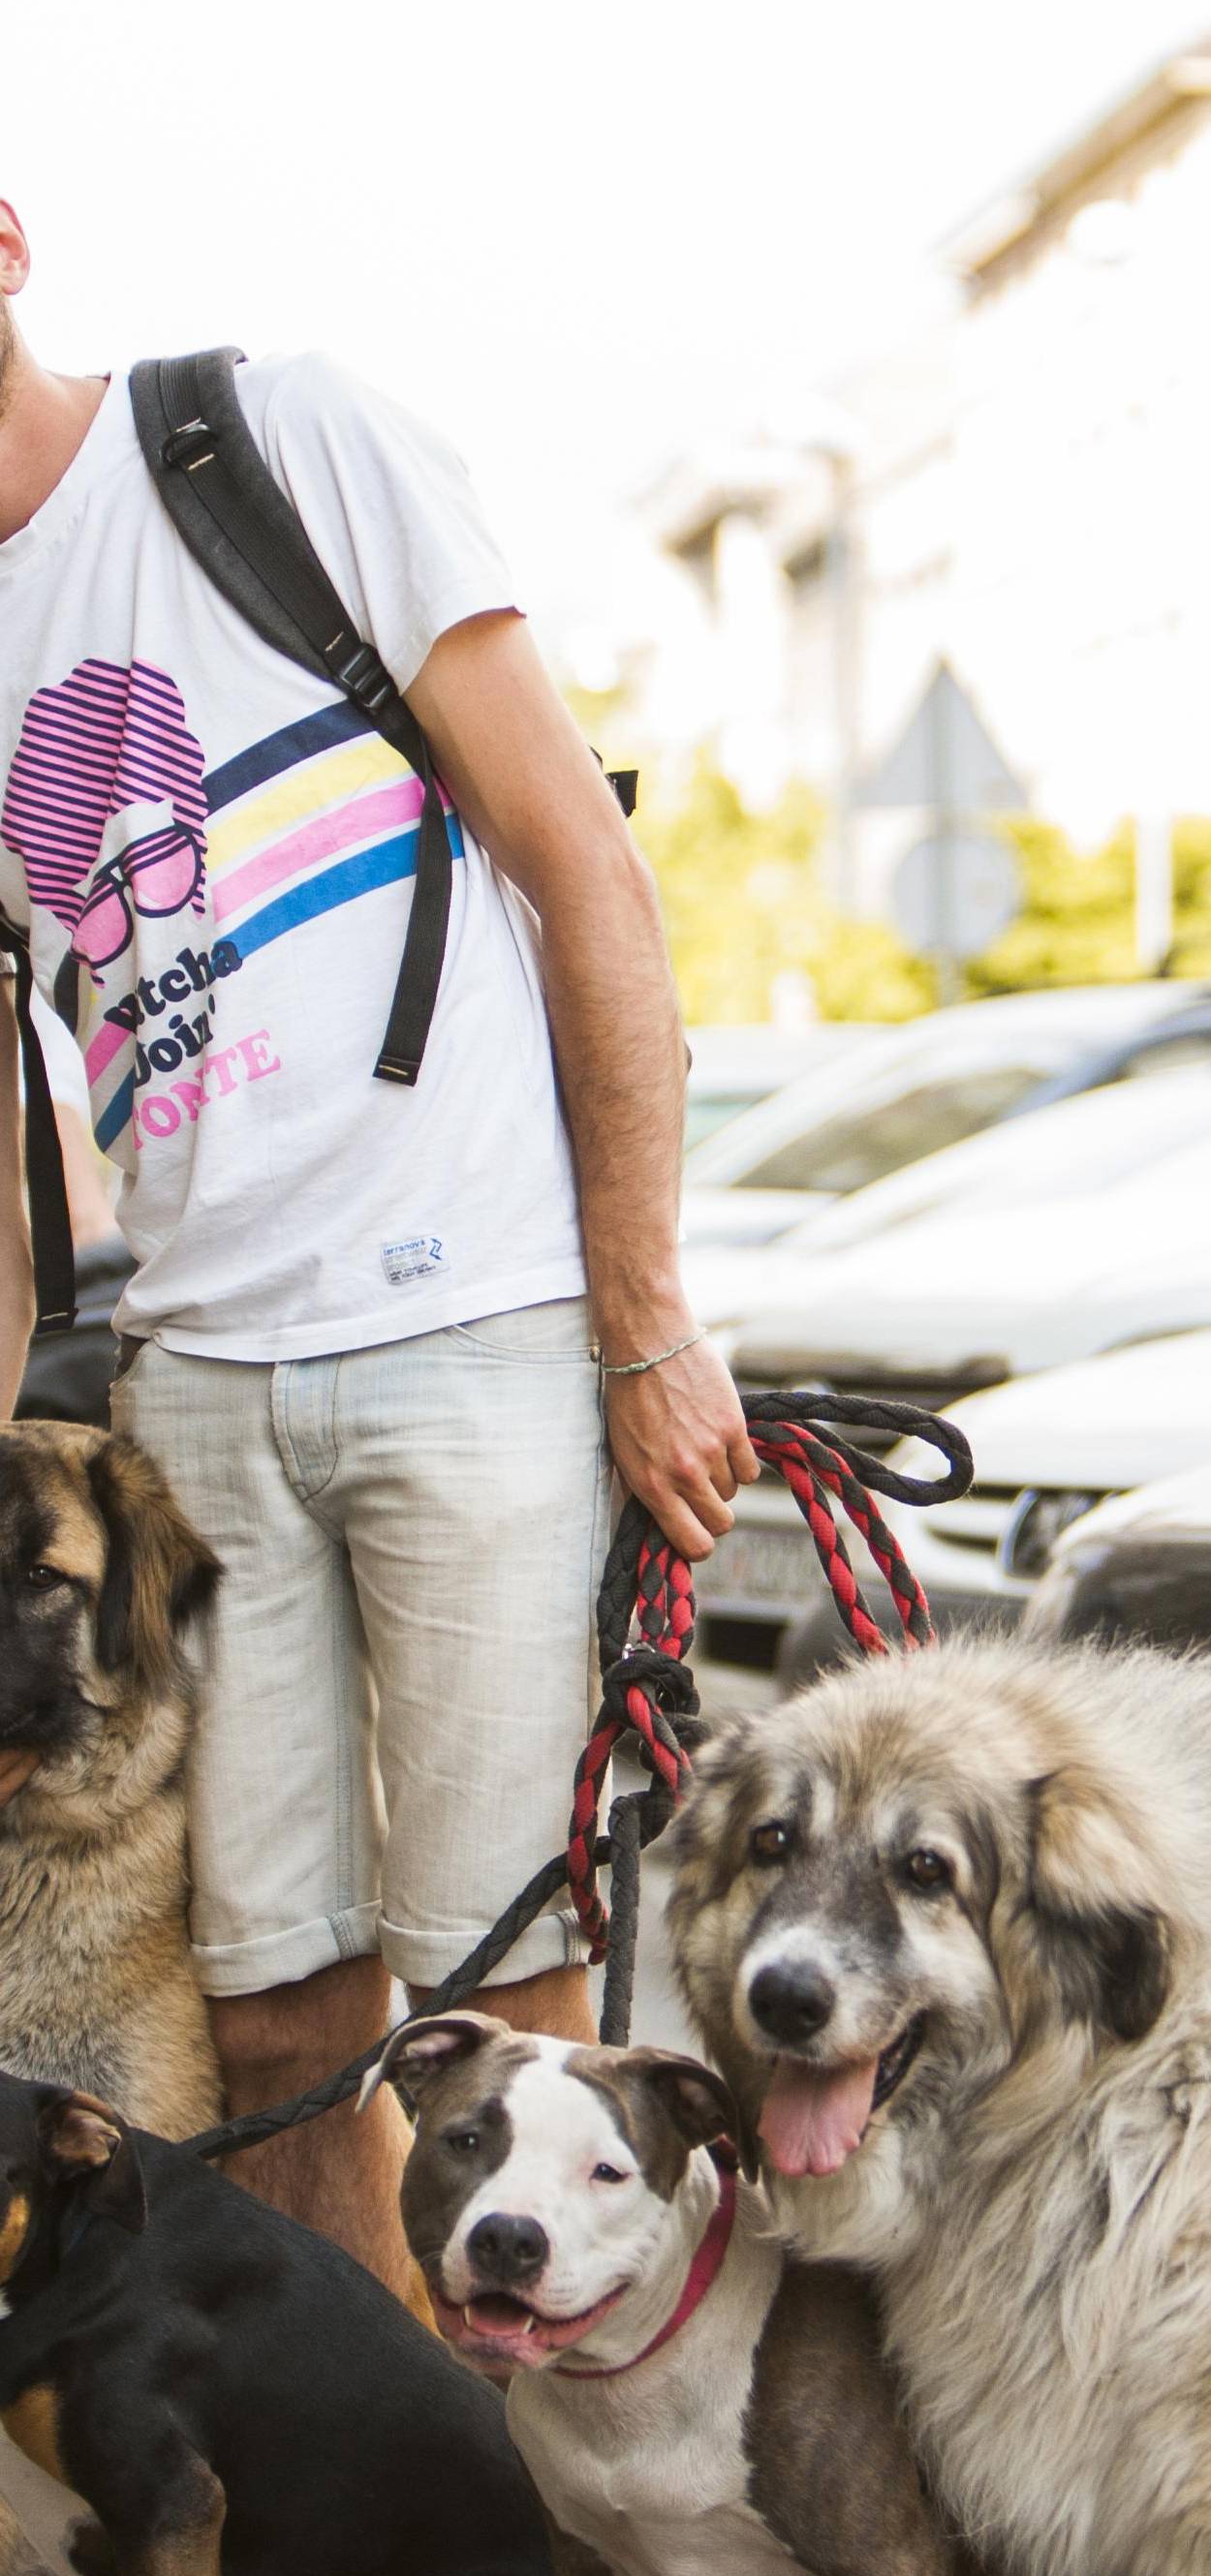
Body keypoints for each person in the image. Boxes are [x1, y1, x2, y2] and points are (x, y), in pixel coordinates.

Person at [0, 199, 758, 2298]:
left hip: (483, 1334)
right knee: (269, 2016)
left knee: (507, 2001)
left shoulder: (268, 450)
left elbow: (585, 874)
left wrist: (643, 1325)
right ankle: (359, 2571)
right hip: (197, 1385)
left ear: (6, 244)